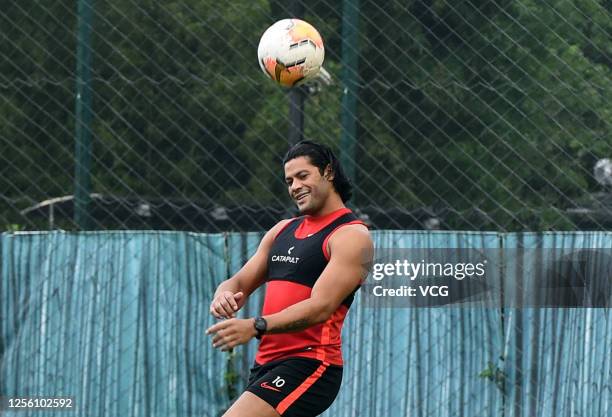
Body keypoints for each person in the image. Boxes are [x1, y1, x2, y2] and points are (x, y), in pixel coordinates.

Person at [206, 140, 373, 417]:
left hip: (310, 363)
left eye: (303, 176)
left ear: (328, 172)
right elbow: (237, 283)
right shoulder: (282, 230)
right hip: (265, 365)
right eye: (289, 180)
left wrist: (256, 325)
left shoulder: (353, 236)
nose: (294, 186)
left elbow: (321, 307)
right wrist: (222, 295)